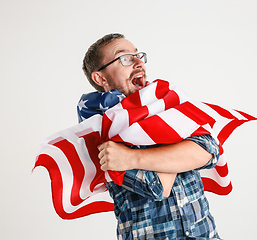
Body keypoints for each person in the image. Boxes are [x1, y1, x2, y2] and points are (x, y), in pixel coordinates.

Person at [80, 33, 222, 240]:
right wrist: (175, 141)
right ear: (100, 78)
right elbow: (156, 186)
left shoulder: (166, 103)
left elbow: (210, 150)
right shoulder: (100, 132)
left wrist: (132, 157)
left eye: (138, 55)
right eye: (125, 58)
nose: (138, 62)